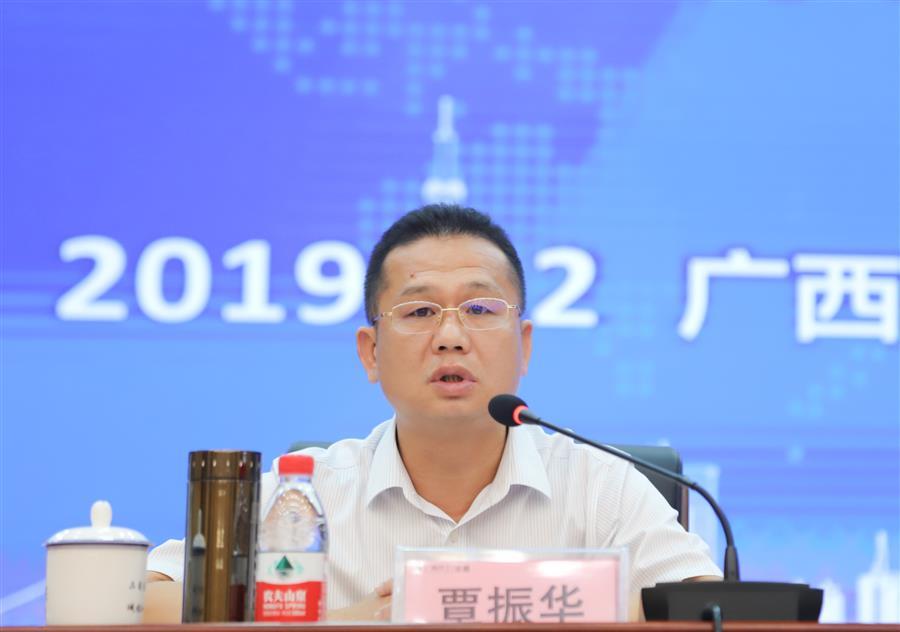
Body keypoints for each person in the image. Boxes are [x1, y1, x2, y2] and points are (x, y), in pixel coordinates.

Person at [144, 204, 720, 622]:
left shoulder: (601, 486)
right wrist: (337, 623)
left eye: (479, 308)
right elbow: (144, 596)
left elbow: (711, 608)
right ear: (371, 352)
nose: (451, 336)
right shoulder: (303, 493)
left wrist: (567, 607)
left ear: (524, 346)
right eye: (419, 312)